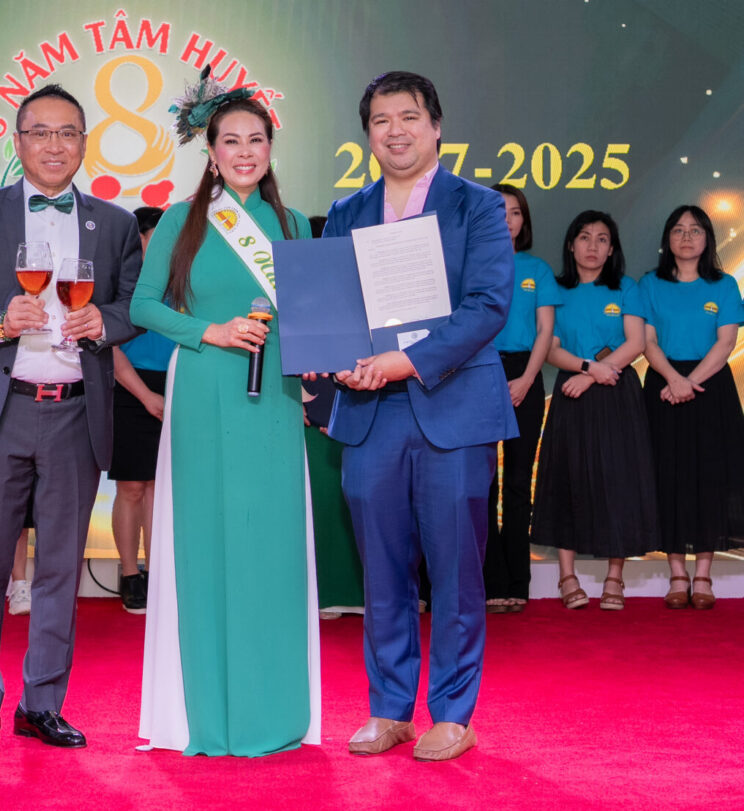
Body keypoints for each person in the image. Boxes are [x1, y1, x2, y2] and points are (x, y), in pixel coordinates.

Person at [0, 83, 141, 755]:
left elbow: (136, 305)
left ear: (85, 143)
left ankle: (42, 703)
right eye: (41, 132)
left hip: (75, 414)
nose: (55, 145)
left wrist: (103, 321)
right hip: (1, 410)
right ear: (17, 142)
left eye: (68, 133)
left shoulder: (115, 224)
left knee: (59, 571)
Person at [322, 71, 516, 762]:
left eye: (409, 116)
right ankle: (390, 708)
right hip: (370, 412)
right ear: (368, 134)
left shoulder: (478, 206)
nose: (395, 130)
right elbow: (333, 306)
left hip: (452, 408)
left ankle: (455, 713)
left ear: (436, 126)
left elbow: (489, 306)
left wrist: (406, 361)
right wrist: (338, 357)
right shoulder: (347, 211)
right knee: (381, 569)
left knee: (456, 570)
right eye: (381, 120)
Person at [133, 79, 320, 756]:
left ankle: (275, 710)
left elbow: (311, 316)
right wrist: (208, 331)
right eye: (231, 141)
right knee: (207, 538)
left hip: (276, 396)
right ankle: (204, 712)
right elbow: (143, 306)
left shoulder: (295, 225)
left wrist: (319, 368)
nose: (245, 152)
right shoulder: (182, 220)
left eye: (256, 140)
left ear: (271, 148)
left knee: (270, 545)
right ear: (211, 151)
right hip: (205, 388)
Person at [531, 211, 657, 610]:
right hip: (571, 391)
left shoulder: (626, 287)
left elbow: (635, 342)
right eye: (584, 237)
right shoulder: (555, 289)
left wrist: (594, 375)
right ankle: (567, 576)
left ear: (612, 248)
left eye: (602, 239)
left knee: (619, 481)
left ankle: (615, 577)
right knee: (566, 478)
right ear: (571, 245)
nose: (593, 246)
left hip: (617, 391)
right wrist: (587, 369)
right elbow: (550, 348)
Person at [638, 205, 744, 609]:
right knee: (668, 475)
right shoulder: (650, 284)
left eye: (695, 230)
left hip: (710, 387)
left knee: (709, 477)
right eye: (678, 230)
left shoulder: (724, 285)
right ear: (667, 238)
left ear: (707, 239)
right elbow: (647, 341)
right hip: (663, 384)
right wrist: (673, 379)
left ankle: (703, 575)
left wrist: (689, 382)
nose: (686, 237)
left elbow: (726, 342)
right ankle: (677, 574)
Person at [484, 184, 562, 613]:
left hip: (526, 375)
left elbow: (545, 331)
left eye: (515, 212)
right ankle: (490, 580)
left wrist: (528, 379)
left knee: (517, 481)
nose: (507, 220)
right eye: (498, 211)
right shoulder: (470, 265)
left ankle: (518, 580)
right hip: (479, 372)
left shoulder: (538, 270)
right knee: (483, 482)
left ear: (524, 221)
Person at [109, 206, 172, 613]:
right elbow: (109, 347)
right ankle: (131, 575)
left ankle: (159, 572)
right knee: (132, 487)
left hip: (177, 385)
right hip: (130, 387)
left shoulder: (182, 281)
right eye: (156, 235)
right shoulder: (121, 284)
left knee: (159, 488)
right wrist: (146, 396)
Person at [301, 215, 364, 618]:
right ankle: (325, 593)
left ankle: (368, 594)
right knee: (322, 505)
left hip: (362, 410)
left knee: (363, 503)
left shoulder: (364, 294)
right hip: (309, 418)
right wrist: (303, 403)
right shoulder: (291, 298)